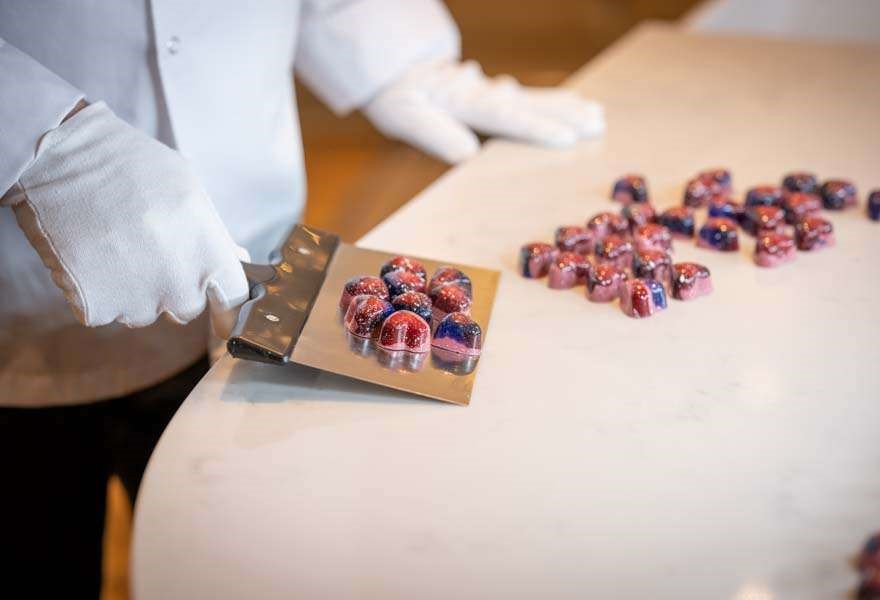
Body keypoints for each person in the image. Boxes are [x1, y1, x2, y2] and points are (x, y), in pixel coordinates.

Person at [0, 1, 604, 596]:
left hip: (250, 290)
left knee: (222, 565)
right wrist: (41, 137)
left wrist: (389, 48)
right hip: (17, 308)